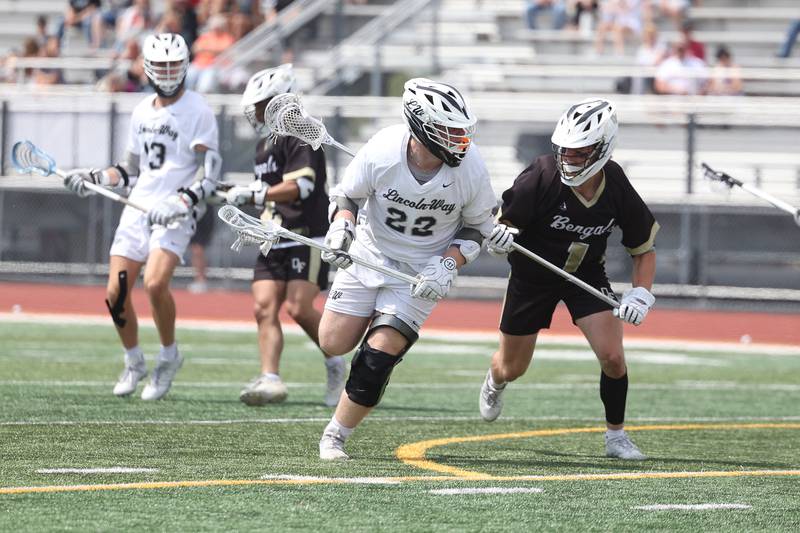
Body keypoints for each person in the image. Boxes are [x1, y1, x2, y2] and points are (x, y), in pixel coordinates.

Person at [316, 78, 498, 460]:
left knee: (377, 356)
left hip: (421, 272)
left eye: (460, 131)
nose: (458, 141)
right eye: (448, 132)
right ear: (421, 127)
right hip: (368, 252)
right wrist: (341, 227)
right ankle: (372, 327)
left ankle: (336, 435)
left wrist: (449, 263)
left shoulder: (470, 168)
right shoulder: (383, 148)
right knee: (332, 341)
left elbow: (478, 228)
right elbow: (348, 196)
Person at [480, 98, 659, 460]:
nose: (569, 159)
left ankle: (616, 436)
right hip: (532, 276)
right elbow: (503, 226)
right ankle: (494, 379)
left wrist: (641, 293)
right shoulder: (541, 175)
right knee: (513, 367)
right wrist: (499, 241)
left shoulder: (616, 184)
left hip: (585, 275)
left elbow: (643, 248)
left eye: (580, 152)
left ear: (603, 149)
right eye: (566, 150)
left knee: (613, 356)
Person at [62, 33, 221, 400]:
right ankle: (134, 360)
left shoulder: (198, 109)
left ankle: (168, 355)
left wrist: (182, 201)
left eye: (173, 65)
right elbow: (131, 170)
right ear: (148, 68)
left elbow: (208, 171)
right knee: (116, 292)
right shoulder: (141, 111)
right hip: (138, 209)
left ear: (183, 66)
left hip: (175, 214)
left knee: (154, 283)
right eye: (161, 65)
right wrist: (96, 178)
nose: (167, 72)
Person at [224, 64, 347, 407]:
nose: (258, 112)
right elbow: (267, 188)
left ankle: (336, 363)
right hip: (272, 234)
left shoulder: (302, 134)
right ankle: (271, 378)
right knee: (264, 307)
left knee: (298, 306)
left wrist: (255, 195)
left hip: (305, 235)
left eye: (264, 104)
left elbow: (301, 186)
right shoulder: (266, 144)